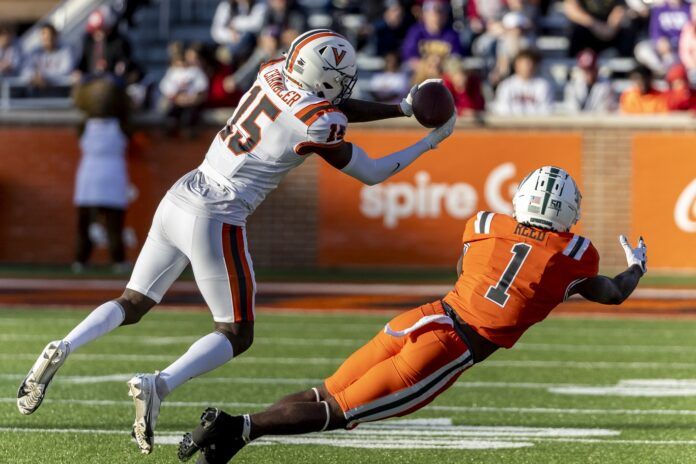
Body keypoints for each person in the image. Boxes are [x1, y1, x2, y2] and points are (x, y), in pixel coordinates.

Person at [16, 29, 456, 456]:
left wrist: (401, 107)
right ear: (323, 77)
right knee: (235, 332)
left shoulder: (270, 71)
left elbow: (333, 103)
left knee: (133, 300)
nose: (343, 88)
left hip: (184, 190)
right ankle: (160, 384)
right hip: (219, 213)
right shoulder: (319, 121)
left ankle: (65, 345)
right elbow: (371, 170)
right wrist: (429, 141)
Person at [177, 165, 648, 464]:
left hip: (421, 318)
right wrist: (636, 268)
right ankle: (236, 427)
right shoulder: (577, 254)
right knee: (340, 413)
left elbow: (465, 269)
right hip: (450, 348)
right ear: (569, 212)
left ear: (521, 197)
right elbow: (612, 294)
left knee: (325, 390)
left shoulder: (485, 224)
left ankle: (234, 440)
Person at [72, 77, 132, 272]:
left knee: (86, 222)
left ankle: (81, 259)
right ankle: (117, 260)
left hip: (89, 173)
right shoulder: (122, 124)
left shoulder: (83, 124)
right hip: (113, 172)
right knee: (113, 222)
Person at [159, 43, 210, 136]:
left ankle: (189, 130)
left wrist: (193, 97)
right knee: (171, 116)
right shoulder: (172, 72)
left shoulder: (195, 71)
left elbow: (202, 86)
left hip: (192, 102)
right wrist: (176, 97)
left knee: (190, 117)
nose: (181, 63)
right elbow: (165, 86)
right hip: (177, 101)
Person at [401, 0, 462, 70]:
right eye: (433, 11)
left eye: (442, 10)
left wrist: (440, 65)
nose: (437, 15)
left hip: (442, 72)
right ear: (424, 13)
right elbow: (409, 58)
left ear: (446, 15)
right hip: (420, 73)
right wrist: (427, 66)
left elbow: (455, 58)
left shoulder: (452, 34)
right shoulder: (415, 32)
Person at [634, 0, 690, 76]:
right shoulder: (659, 9)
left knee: (673, 58)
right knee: (642, 49)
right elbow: (654, 30)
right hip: (664, 48)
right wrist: (659, 40)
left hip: (684, 48)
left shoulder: (689, 7)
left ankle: (677, 73)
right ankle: (662, 72)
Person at [492, 49, 553, 115]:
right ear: (516, 65)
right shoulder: (506, 85)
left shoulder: (543, 85)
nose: (527, 67)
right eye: (524, 63)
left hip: (536, 123)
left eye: (530, 63)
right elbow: (502, 109)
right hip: (511, 123)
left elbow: (546, 110)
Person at [564, 0, 634, 57]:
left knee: (628, 32)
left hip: (610, 31)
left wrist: (610, 29)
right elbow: (571, 8)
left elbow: (620, 9)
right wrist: (593, 24)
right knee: (577, 32)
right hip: (587, 29)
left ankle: (621, 72)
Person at [21, 23, 75, 91]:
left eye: (50, 36)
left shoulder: (65, 51)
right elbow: (25, 70)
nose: (47, 39)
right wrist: (34, 76)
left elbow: (66, 71)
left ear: (56, 36)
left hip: (59, 92)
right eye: (44, 37)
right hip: (38, 92)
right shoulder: (34, 52)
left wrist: (44, 77)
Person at [563, 48, 615, 113]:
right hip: (577, 122)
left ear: (597, 68)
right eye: (585, 70)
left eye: (591, 70)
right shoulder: (572, 85)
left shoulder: (606, 85)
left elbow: (604, 111)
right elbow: (571, 109)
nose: (588, 73)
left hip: (598, 122)